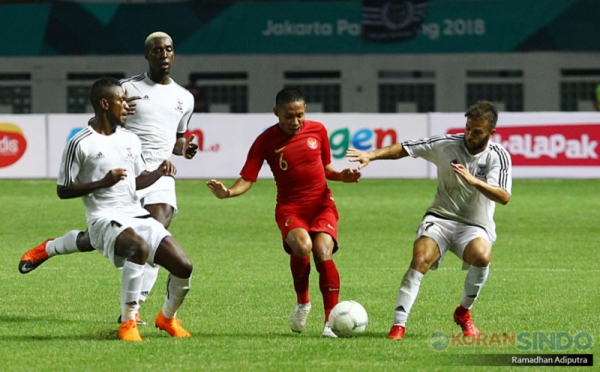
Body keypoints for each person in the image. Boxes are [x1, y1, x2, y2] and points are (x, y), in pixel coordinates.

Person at [18, 31, 198, 326]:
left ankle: (134, 309)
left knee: (154, 234)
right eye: (157, 50)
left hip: (158, 175)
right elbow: (100, 123)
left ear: (174, 54)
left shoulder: (185, 98)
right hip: (125, 170)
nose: (164, 55)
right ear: (147, 55)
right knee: (103, 240)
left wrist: (185, 148)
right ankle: (51, 247)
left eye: (169, 50)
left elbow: (176, 140)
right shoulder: (127, 88)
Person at [346, 101, 512, 340]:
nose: (469, 135)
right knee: (420, 259)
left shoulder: (498, 157)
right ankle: (398, 325)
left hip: (475, 226)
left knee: (483, 256)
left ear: (490, 133)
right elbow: (406, 148)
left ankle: (463, 313)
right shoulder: (447, 144)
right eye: (467, 128)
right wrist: (371, 155)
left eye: (477, 132)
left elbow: (504, 197)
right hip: (441, 218)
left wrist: (474, 181)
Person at [206, 88, 361, 338]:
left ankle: (330, 322)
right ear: (276, 113)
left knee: (322, 251)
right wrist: (229, 193)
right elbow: (248, 178)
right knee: (303, 246)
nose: (296, 121)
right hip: (290, 207)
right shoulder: (265, 141)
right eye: (289, 116)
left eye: (300, 115)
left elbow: (326, 168)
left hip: (322, 204)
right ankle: (303, 303)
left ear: (305, 111)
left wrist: (342, 176)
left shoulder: (318, 130)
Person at [51, 77, 193, 341]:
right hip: (102, 218)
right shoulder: (79, 143)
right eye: (122, 101)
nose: (127, 107)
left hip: (134, 212)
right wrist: (102, 183)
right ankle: (128, 322)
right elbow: (63, 189)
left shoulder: (131, 139)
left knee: (184, 266)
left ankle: (167, 318)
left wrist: (158, 173)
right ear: (105, 104)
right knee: (138, 248)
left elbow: (135, 181)